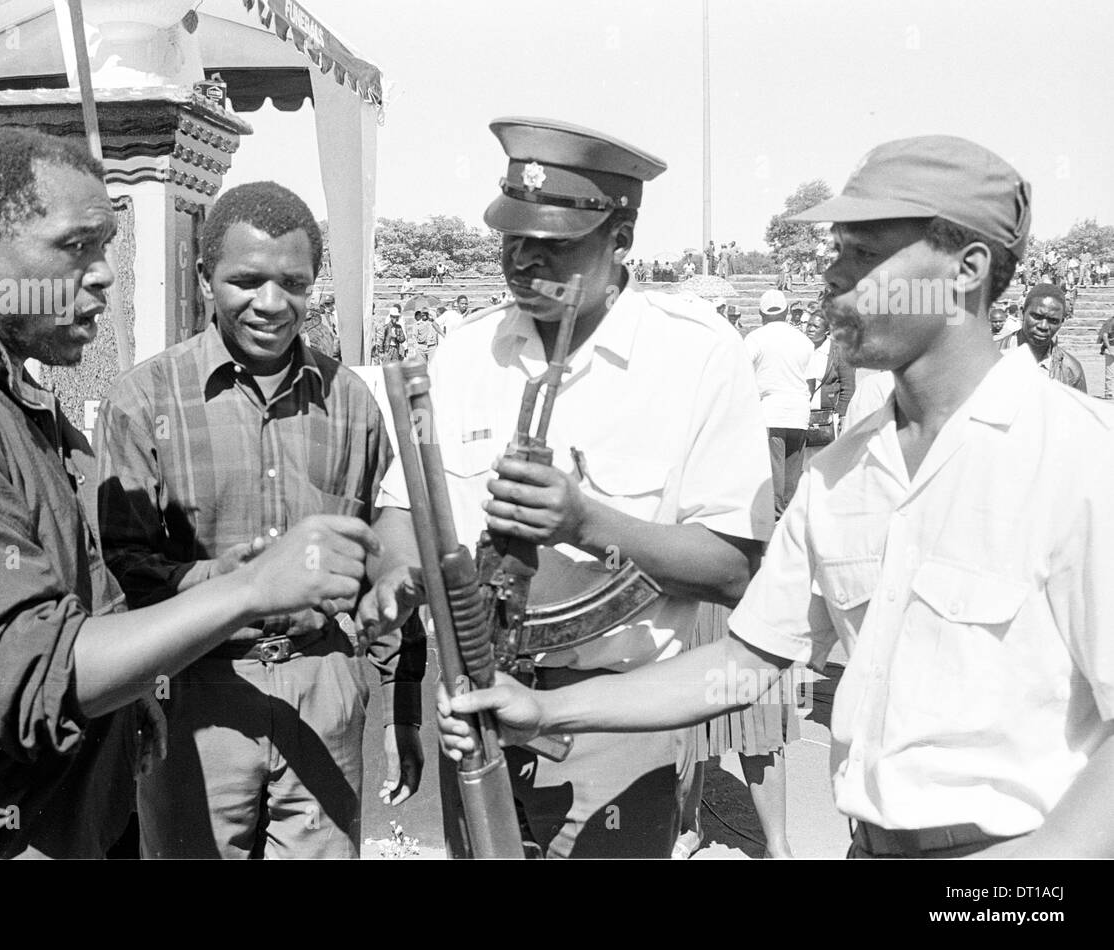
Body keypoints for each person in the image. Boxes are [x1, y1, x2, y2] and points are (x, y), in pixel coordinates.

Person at [441, 134, 1114, 860]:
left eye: (863, 255)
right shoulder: (842, 472)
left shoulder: (1077, 459)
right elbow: (748, 660)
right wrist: (545, 709)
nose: (830, 278)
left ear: (967, 270)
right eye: (835, 252)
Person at [0, 131, 379, 859]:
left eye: (107, 245)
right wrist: (249, 590)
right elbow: (20, 681)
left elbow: (69, 584)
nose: (106, 275)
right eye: (77, 246)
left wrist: (150, 660)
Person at [368, 117, 774, 859]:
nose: (525, 263)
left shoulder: (695, 357)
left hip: (615, 726)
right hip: (477, 706)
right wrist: (396, 578)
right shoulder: (464, 355)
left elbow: (735, 570)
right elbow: (404, 509)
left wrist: (586, 523)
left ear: (620, 241)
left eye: (553, 246)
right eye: (513, 240)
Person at [95, 181, 424, 859]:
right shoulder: (143, 401)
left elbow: (382, 562)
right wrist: (231, 581)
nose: (271, 304)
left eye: (293, 282)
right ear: (204, 276)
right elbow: (117, 569)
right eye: (246, 281)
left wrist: (399, 704)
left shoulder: (353, 402)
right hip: (196, 690)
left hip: (323, 684)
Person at [745, 289, 813, 517]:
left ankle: (776, 515)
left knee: (773, 468)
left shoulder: (755, 338)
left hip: (770, 410)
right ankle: (791, 514)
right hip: (799, 410)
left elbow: (743, 372)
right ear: (785, 311)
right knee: (793, 468)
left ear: (761, 313)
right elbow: (811, 380)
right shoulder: (803, 340)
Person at [999, 283, 1087, 391]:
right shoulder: (989, 355)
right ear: (1022, 312)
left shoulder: (1071, 370)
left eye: (1053, 321)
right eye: (1037, 316)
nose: (1043, 326)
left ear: (1061, 322)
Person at [1100, 311, 1114, 398]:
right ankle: (1108, 392)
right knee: (1110, 372)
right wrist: (1109, 348)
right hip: (1112, 347)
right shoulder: (1110, 322)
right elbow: (1105, 335)